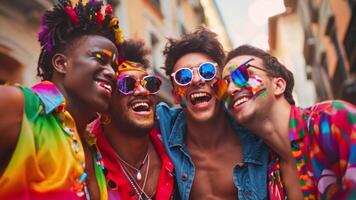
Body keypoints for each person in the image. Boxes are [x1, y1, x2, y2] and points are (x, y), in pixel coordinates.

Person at [0, 0, 124, 199]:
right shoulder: (20, 107)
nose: (111, 73)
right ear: (61, 63)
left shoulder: (93, 147)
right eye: (100, 58)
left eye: (115, 67)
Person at [222, 44, 356, 199]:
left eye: (243, 74)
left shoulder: (332, 119)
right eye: (224, 85)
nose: (231, 89)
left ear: (278, 85)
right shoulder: (268, 180)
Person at [156, 27, 269, 199]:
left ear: (223, 83)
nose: (196, 80)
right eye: (183, 77)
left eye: (207, 71)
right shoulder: (162, 127)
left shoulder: (257, 135)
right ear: (175, 96)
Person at [90, 39, 178, 200]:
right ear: (105, 103)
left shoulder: (175, 148)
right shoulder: (84, 160)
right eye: (127, 84)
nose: (143, 91)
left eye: (149, 83)